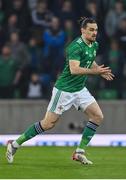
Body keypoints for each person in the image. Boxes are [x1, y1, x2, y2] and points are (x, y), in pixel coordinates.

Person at [6, 17, 114, 165]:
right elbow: (74, 69)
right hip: (64, 90)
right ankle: (14, 145)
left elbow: (90, 60)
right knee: (48, 124)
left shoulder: (94, 44)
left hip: (79, 89)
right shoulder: (75, 47)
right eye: (91, 29)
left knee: (97, 116)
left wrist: (98, 70)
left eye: (96, 29)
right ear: (83, 30)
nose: (94, 32)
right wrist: (95, 72)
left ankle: (79, 152)